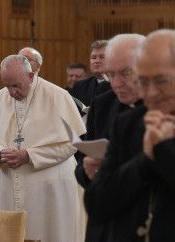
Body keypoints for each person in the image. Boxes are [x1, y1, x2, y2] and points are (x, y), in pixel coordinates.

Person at [0, 55, 86, 242]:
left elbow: (71, 143)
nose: (11, 92)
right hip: (10, 182)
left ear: (30, 76)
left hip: (51, 186)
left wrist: (30, 155)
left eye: (16, 86)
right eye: (7, 86)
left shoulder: (58, 95)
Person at [84, 29, 175, 242]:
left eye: (161, 81)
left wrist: (164, 149)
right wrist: (144, 161)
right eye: (143, 82)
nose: (151, 93)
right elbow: (97, 202)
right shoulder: (129, 122)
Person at [75, 33, 145, 242]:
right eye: (111, 75)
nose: (117, 84)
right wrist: (87, 171)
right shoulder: (102, 104)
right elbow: (80, 165)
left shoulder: (164, 108)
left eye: (125, 73)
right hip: (104, 229)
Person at [72, 40, 111, 107]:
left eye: (102, 57)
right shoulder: (80, 86)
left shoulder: (118, 84)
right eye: (93, 58)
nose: (96, 61)